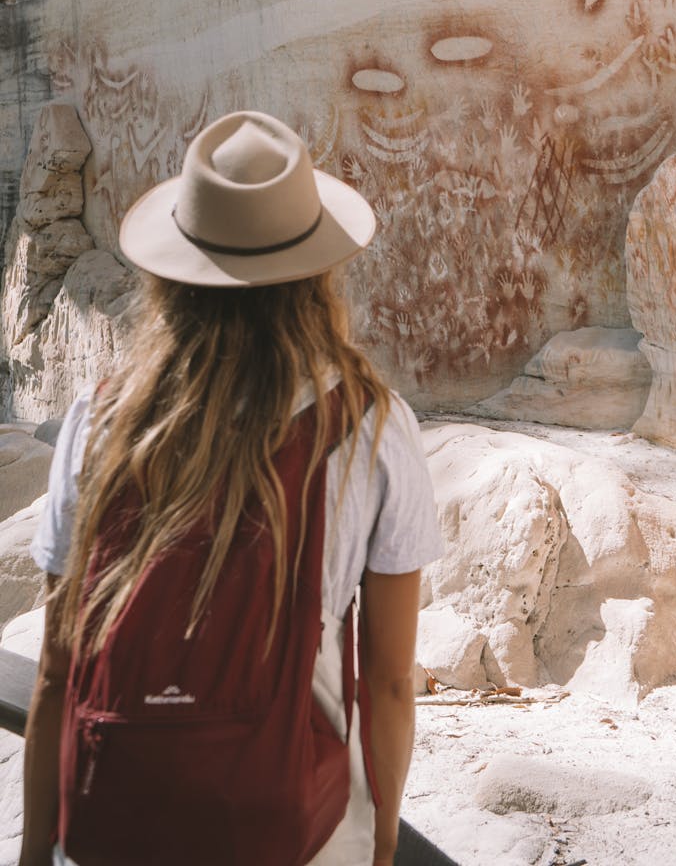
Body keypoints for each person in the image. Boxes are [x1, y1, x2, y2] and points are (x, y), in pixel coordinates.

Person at [19, 110, 444, 866]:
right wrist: (378, 846)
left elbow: (56, 672)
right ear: (317, 275)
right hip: (288, 824)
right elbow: (387, 684)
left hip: (116, 819)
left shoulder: (102, 420)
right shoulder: (370, 425)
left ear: (174, 275)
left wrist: (36, 852)